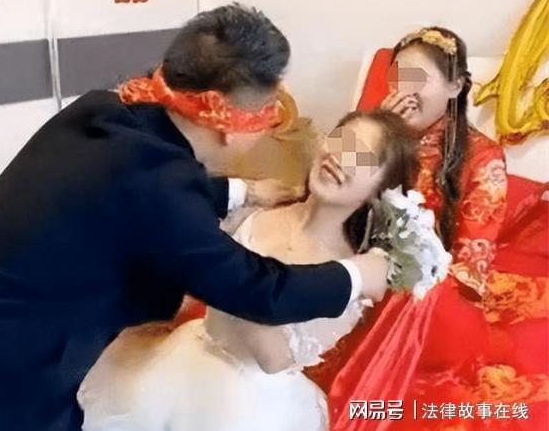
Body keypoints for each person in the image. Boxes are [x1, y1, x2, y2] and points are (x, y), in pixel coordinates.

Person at [0, 4, 389, 431]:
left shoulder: (106, 112)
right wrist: (355, 275)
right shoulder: (161, 190)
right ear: (229, 123)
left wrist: (239, 191)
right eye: (269, 115)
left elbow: (124, 192)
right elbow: (257, 290)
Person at [77, 109, 419, 431]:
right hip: (183, 358)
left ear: (380, 192)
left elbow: (275, 358)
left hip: (244, 405)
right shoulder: (259, 209)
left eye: (362, 157)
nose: (341, 157)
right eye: (342, 140)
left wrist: (227, 274)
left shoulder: (352, 275)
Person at [315, 27, 548, 431]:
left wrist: (395, 276)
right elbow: (326, 190)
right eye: (398, 78)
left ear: (455, 86)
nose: (404, 91)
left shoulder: (483, 158)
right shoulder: (376, 133)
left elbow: (469, 264)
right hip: (356, 265)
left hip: (432, 295)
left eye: (418, 80)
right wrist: (377, 133)